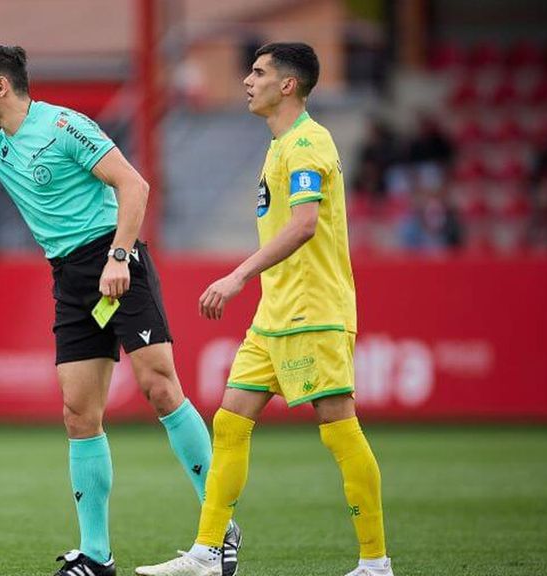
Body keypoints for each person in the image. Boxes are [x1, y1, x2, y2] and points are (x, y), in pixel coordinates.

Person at [0, 45, 240, 576]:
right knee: (78, 413)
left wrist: (119, 255)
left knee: (160, 386)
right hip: (70, 278)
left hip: (116, 258)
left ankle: (219, 530)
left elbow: (133, 184)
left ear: (2, 86)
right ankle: (96, 556)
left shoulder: (65, 125)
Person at [134, 42, 393, 576]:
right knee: (230, 422)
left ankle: (375, 563)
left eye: (258, 72)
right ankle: (208, 552)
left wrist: (237, 275)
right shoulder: (278, 148)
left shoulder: (307, 143)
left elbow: (303, 225)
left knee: (338, 427)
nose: (247, 81)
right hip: (276, 315)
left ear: (288, 84)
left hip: (313, 311)